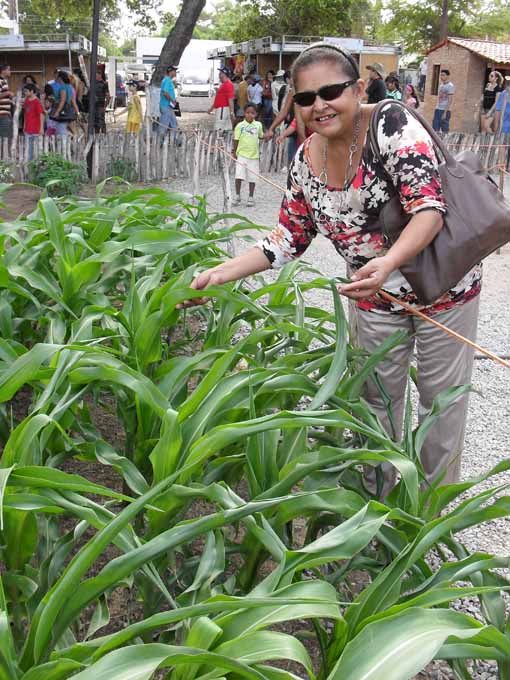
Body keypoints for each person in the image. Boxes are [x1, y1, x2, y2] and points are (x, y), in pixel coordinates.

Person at [181, 42, 481, 496]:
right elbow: (286, 240)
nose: (319, 105)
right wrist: (220, 274)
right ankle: (374, 511)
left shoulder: (391, 126)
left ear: (357, 89)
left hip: (444, 292)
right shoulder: (304, 163)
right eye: (305, 98)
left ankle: (430, 519)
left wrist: (389, 262)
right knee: (373, 403)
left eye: (332, 91)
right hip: (375, 298)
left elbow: (429, 209)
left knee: (440, 409)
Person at [232, 102, 264, 207]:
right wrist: (234, 152)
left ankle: (251, 196)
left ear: (256, 114)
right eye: (247, 112)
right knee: (239, 176)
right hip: (241, 155)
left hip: (254, 156)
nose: (250, 115)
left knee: (252, 177)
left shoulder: (258, 125)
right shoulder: (240, 126)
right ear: (244, 113)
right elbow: (236, 139)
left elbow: (261, 136)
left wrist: (268, 135)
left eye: (252, 113)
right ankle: (237, 195)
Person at [51, 71, 79, 137]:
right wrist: (78, 113)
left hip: (61, 110)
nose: (55, 78)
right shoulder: (70, 87)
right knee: (63, 127)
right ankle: (71, 137)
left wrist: (57, 111)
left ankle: (67, 139)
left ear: (60, 78)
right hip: (68, 110)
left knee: (61, 130)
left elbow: (62, 100)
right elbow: (73, 101)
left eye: (57, 77)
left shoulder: (62, 87)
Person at [208, 67, 235, 132]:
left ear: (224, 74)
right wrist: (211, 108)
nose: (219, 75)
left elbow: (230, 100)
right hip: (221, 109)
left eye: (220, 73)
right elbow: (218, 99)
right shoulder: (224, 84)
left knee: (219, 128)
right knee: (225, 128)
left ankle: (222, 141)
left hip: (223, 109)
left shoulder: (228, 84)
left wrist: (232, 112)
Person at [23, 83, 44, 159]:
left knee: (37, 147)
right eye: (24, 91)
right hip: (28, 127)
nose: (25, 93)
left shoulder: (37, 101)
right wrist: (24, 125)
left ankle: (37, 162)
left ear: (32, 91)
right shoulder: (26, 100)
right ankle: (30, 162)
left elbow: (41, 114)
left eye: (26, 91)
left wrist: (41, 128)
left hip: (36, 128)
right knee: (29, 148)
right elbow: (25, 113)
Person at [159, 65, 178, 138]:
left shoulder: (167, 80)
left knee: (174, 123)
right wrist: (172, 100)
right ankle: (159, 141)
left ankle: (175, 139)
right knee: (164, 125)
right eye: (174, 71)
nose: (175, 73)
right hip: (166, 106)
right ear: (171, 72)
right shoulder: (167, 80)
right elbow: (165, 93)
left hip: (169, 106)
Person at [0, 64, 14, 141]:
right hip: (2, 114)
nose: (10, 71)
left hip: (5, 113)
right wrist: (8, 93)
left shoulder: (4, 81)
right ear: (3, 71)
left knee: (6, 136)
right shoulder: (0, 80)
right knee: (5, 138)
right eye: (8, 69)